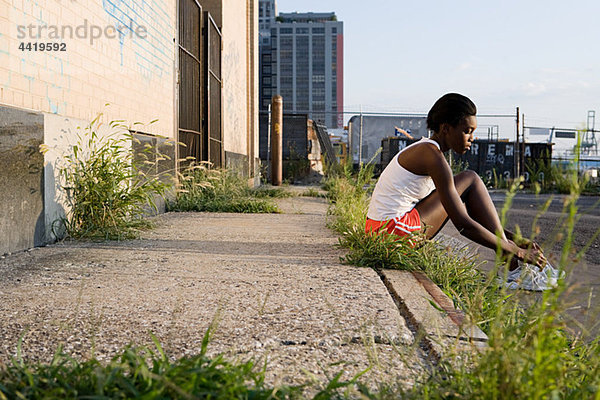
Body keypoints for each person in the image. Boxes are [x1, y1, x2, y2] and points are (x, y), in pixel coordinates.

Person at [365, 93, 561, 291]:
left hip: (382, 233)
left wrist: (514, 241)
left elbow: (463, 213)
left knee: (468, 182)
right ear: (446, 128)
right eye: (467, 131)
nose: (471, 139)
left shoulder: (429, 150)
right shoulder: (432, 156)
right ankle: (513, 268)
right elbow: (462, 223)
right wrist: (517, 250)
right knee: (470, 179)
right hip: (393, 234)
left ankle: (513, 267)